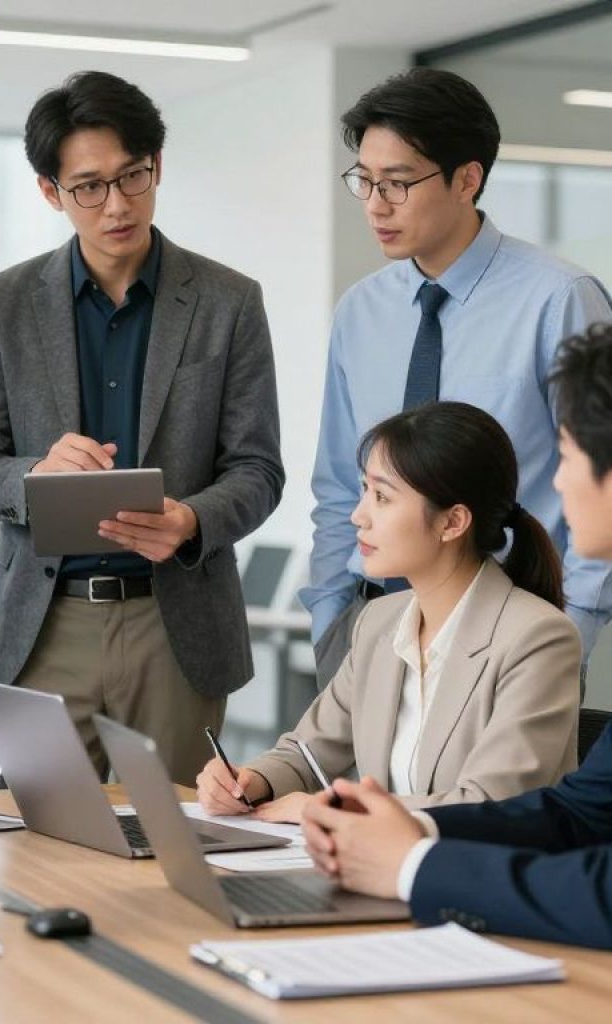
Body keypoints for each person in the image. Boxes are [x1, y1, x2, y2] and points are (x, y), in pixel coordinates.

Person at [0, 71, 283, 784]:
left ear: (157, 166)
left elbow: (258, 469)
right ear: (51, 192)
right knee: (34, 851)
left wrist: (191, 519)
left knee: (176, 853)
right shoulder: (3, 304)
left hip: (176, 624)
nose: (117, 204)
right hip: (43, 625)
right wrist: (32, 475)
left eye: (133, 176)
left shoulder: (228, 301)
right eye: (89, 186)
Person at [302, 324, 612, 951]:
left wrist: (410, 863)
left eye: (568, 458)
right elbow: (579, 814)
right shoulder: (380, 621)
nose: (555, 484)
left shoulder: (536, 634)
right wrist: (398, 828)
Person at [302, 67, 612, 689]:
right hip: (373, 631)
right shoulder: (360, 310)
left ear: (467, 178)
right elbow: (340, 484)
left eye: (397, 183)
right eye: (364, 181)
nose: (375, 205)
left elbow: (605, 479)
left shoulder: (560, 300)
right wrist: (332, 621)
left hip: (511, 630)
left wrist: (568, 633)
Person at [197, 402, 581, 823]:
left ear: (452, 523)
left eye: (381, 496)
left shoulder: (538, 638)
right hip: (386, 872)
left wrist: (328, 810)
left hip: (481, 878)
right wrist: (250, 781)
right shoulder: (379, 622)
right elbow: (307, 754)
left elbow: (490, 804)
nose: (358, 516)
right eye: (364, 490)